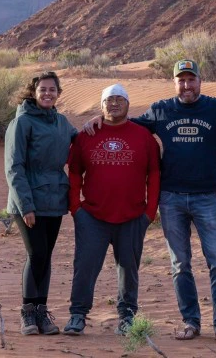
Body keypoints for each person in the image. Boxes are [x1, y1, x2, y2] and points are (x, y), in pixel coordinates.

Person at [84, 59, 216, 346]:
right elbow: (128, 126)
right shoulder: (161, 109)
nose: (187, 85)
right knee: (180, 264)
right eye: (181, 79)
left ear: (199, 82)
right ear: (174, 83)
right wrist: (101, 119)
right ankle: (190, 321)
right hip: (171, 198)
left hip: (207, 197)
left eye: (191, 79)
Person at [63, 83, 161, 337]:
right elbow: (74, 172)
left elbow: (154, 174)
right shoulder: (87, 135)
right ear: (101, 105)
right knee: (85, 266)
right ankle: (78, 315)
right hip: (93, 216)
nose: (114, 104)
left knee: (128, 268)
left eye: (119, 99)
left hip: (132, 216)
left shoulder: (143, 136)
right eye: (109, 100)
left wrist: (149, 212)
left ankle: (127, 316)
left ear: (128, 104)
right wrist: (76, 208)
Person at [5, 71, 77, 336]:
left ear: (58, 93)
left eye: (52, 90)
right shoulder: (22, 122)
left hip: (55, 200)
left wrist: (98, 125)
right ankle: (28, 312)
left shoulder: (62, 122)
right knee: (36, 255)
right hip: (29, 202)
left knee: (45, 257)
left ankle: (42, 312)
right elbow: (14, 168)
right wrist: (26, 206)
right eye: (42, 90)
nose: (47, 94)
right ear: (33, 93)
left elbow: (80, 141)